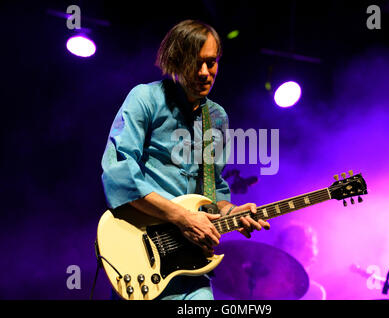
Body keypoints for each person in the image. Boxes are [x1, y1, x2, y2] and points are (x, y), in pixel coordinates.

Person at [101, 19, 270, 300]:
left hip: (191, 264)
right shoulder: (145, 99)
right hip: (140, 253)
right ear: (175, 61)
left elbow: (213, 191)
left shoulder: (215, 118)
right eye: (196, 63)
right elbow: (119, 173)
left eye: (211, 62)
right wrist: (180, 216)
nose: (205, 73)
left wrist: (231, 213)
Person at [276, 222, 327, 300]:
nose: (292, 250)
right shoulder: (260, 283)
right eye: (290, 244)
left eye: (299, 245)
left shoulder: (314, 292)